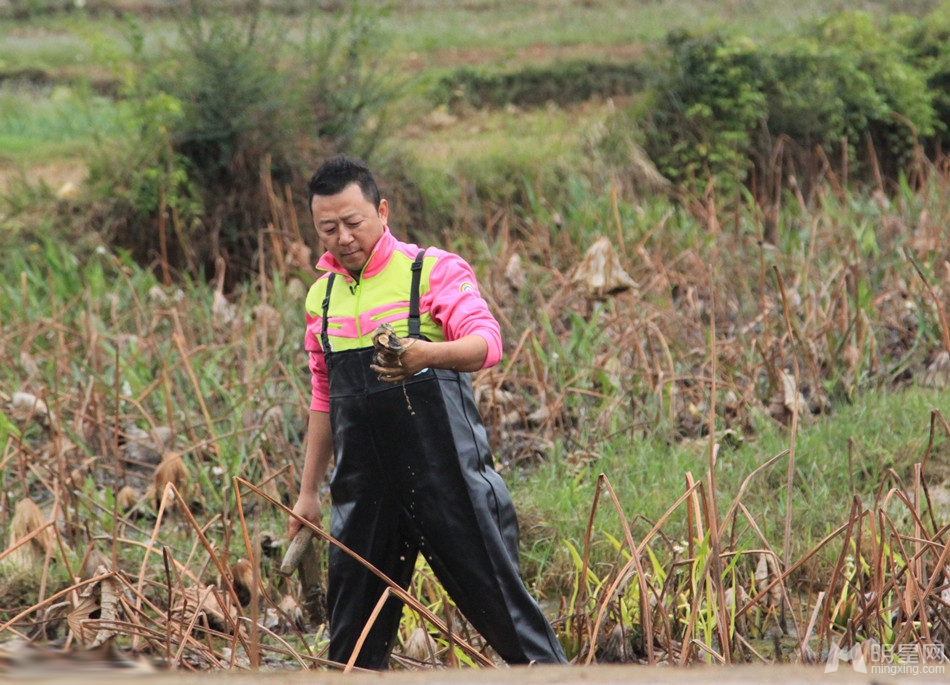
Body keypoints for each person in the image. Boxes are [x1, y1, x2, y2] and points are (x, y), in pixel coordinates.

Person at [289, 155, 568, 669]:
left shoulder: (431, 270)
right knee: (350, 650)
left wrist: (425, 354)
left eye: (354, 222)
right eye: (328, 228)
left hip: (448, 485)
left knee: (514, 627)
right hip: (364, 496)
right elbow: (323, 398)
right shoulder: (320, 298)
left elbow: (487, 343)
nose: (343, 237)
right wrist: (308, 494)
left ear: (382, 211)